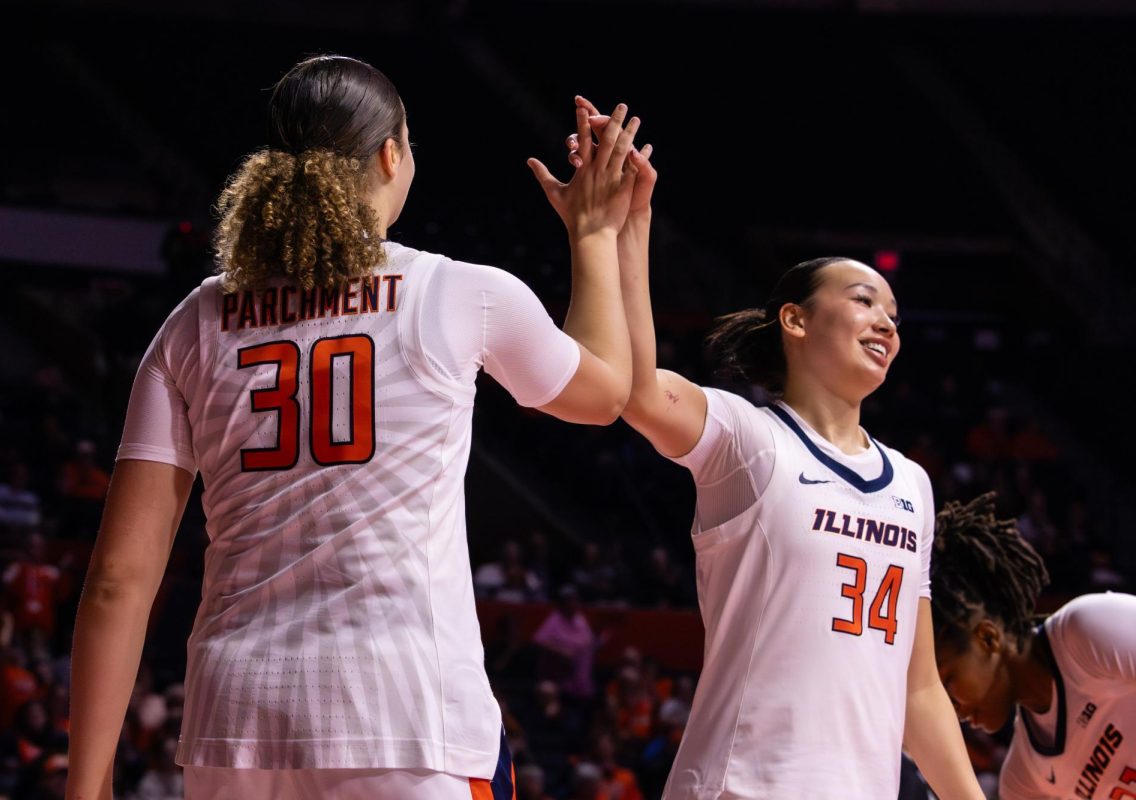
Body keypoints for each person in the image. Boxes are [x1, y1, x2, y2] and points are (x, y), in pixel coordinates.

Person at [67, 55, 655, 800]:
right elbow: (603, 394)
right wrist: (596, 233)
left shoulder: (195, 321)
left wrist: (85, 787)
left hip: (234, 730)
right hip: (406, 722)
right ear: (390, 154)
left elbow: (118, 582)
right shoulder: (455, 292)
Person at [567, 97, 983, 799]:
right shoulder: (749, 438)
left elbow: (918, 692)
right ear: (794, 319)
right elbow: (635, 393)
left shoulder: (912, 484)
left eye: (893, 313)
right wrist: (627, 225)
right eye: (862, 300)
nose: (885, 320)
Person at [930, 492, 1136, 800]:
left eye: (949, 680)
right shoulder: (1022, 781)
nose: (952, 707)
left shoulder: (1087, 629)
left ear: (987, 638)